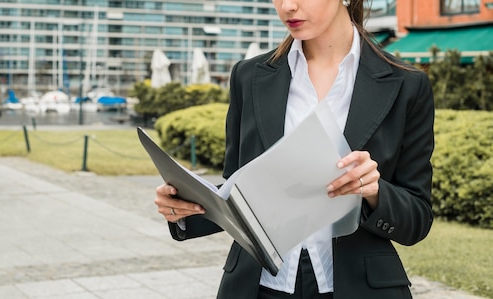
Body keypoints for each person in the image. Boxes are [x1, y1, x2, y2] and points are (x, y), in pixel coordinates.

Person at [154, 0, 435, 298]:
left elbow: (417, 219)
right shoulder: (249, 77)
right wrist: (184, 207)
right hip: (257, 287)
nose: (287, 6)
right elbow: (237, 193)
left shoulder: (407, 84)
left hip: (358, 287)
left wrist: (375, 191)